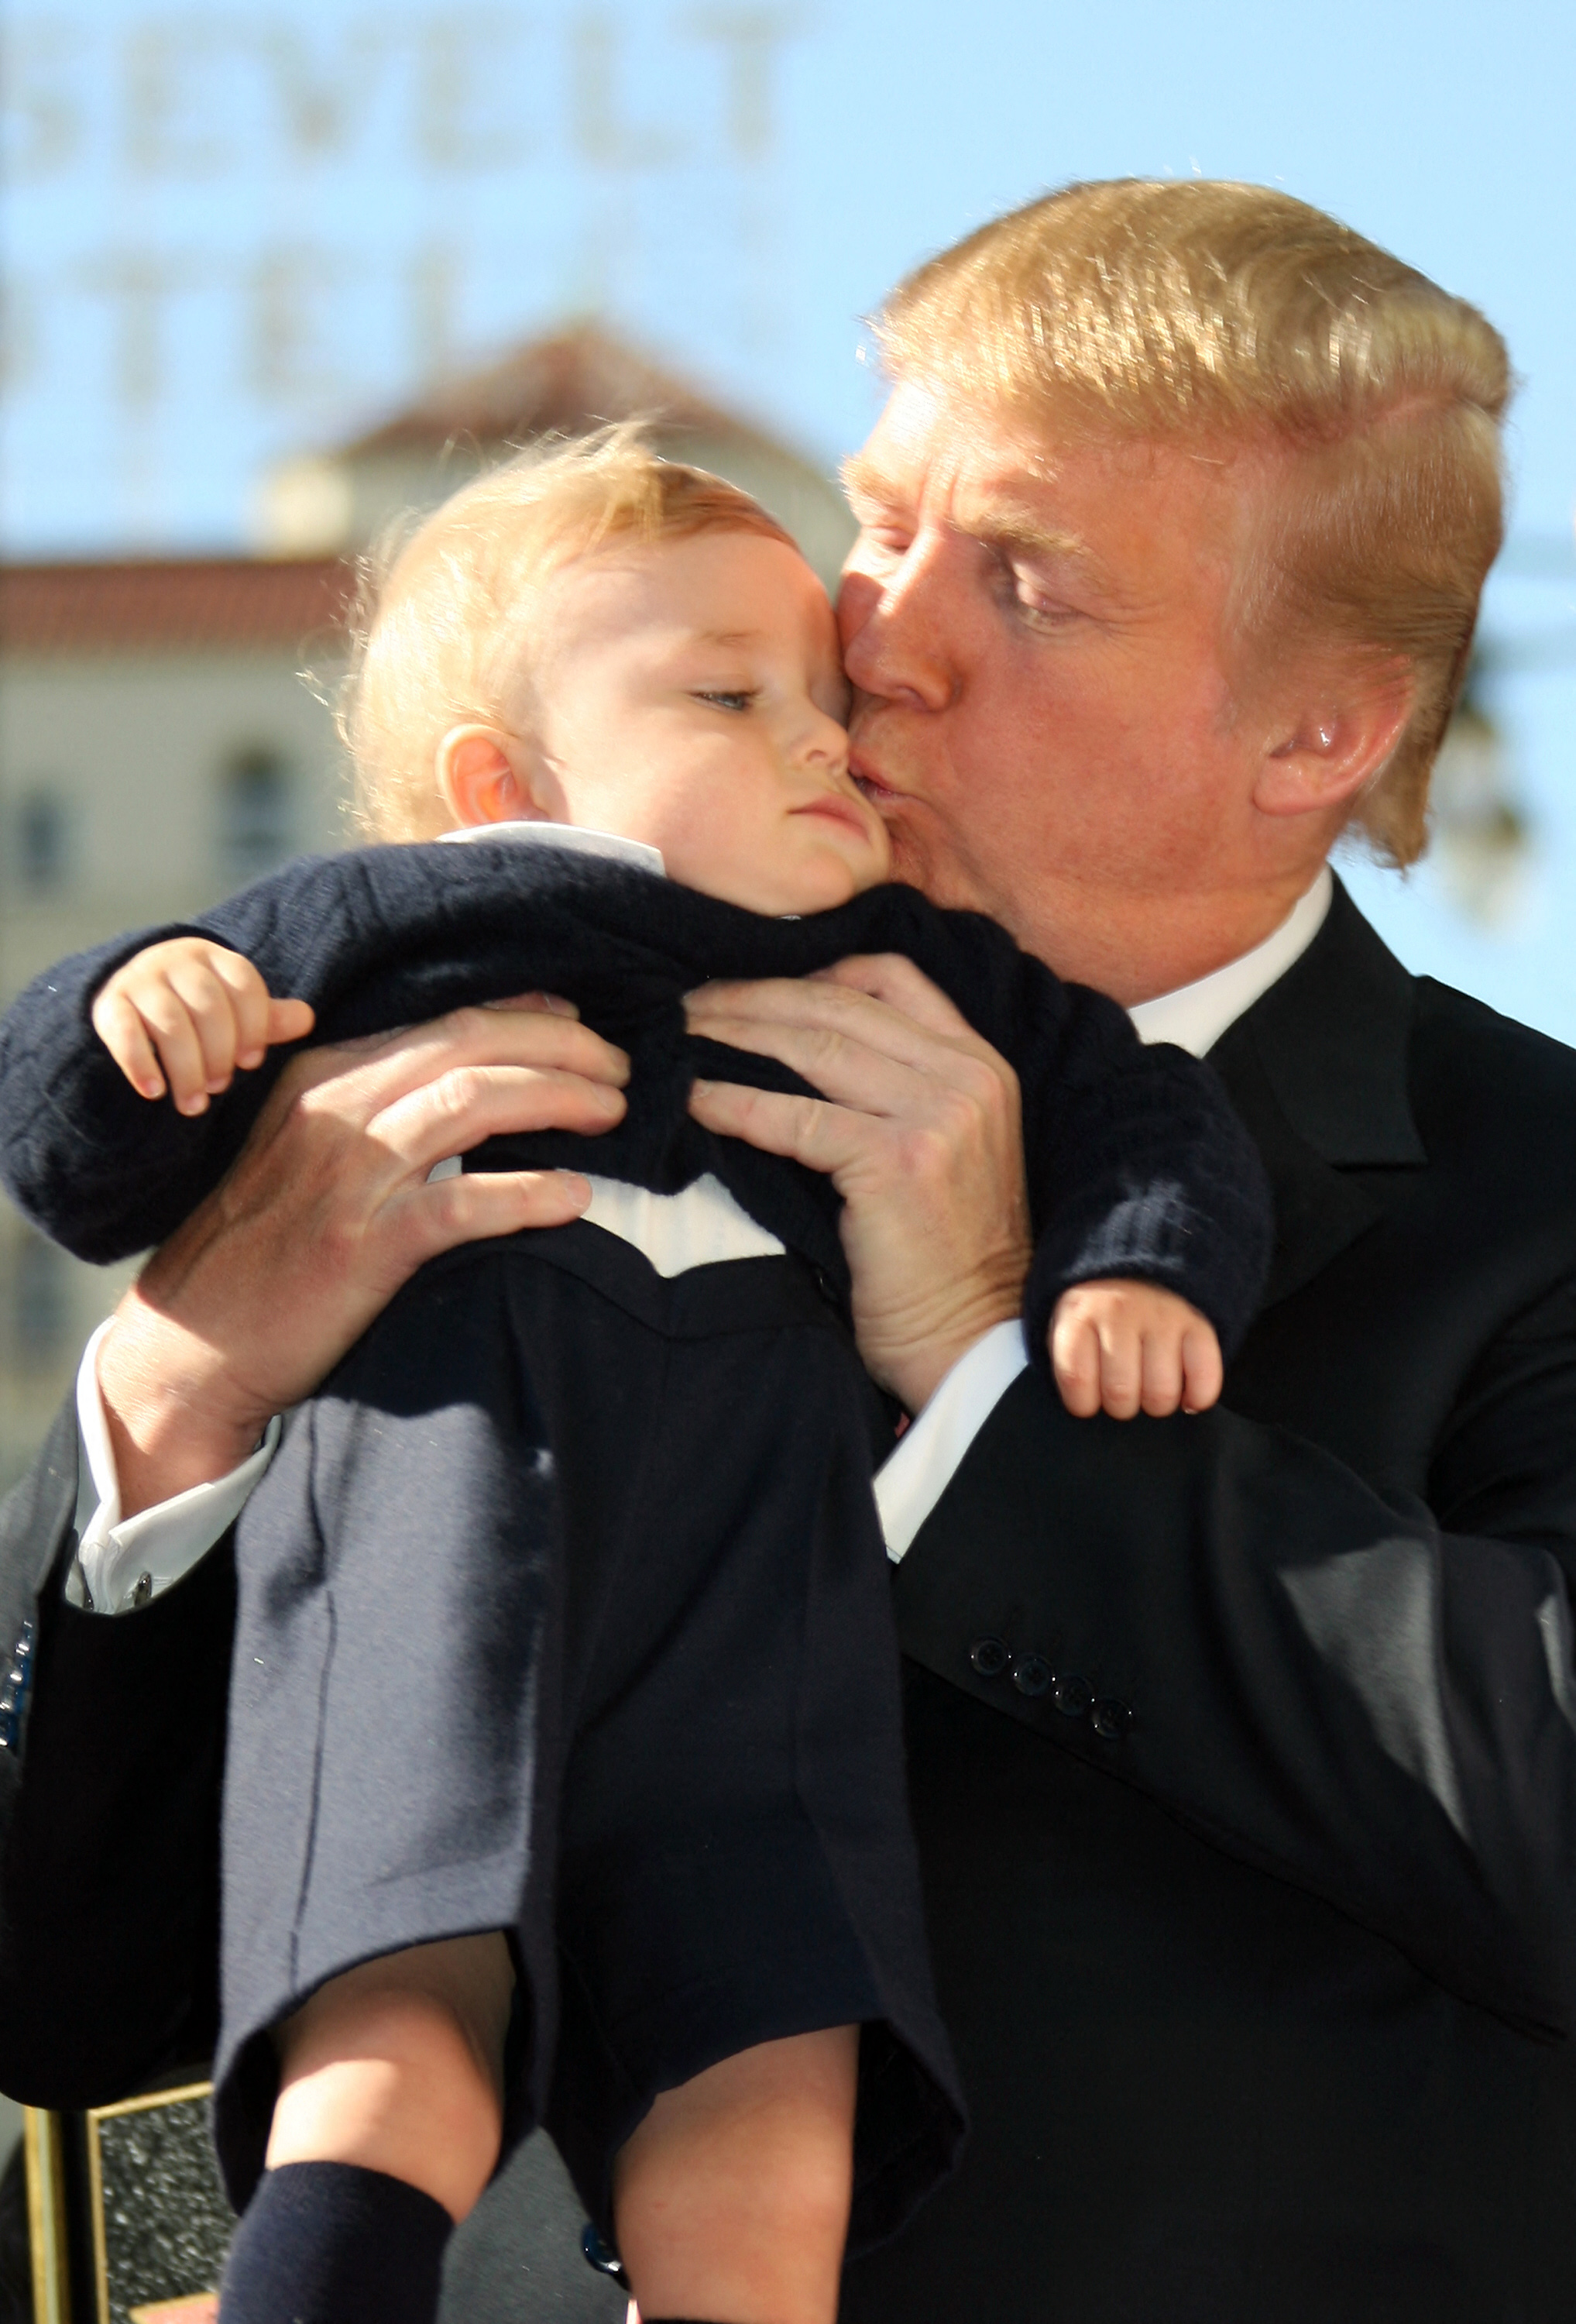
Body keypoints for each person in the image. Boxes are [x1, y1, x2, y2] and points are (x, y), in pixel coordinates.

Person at [2, 176, 1574, 2321]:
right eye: (879, 515)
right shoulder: (459, 1027)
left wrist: (983, 1398)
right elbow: (84, 1999)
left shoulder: (1535, 1196)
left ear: (1317, 731)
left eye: (1019, 581)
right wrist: (181, 1398)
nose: (874, 632)